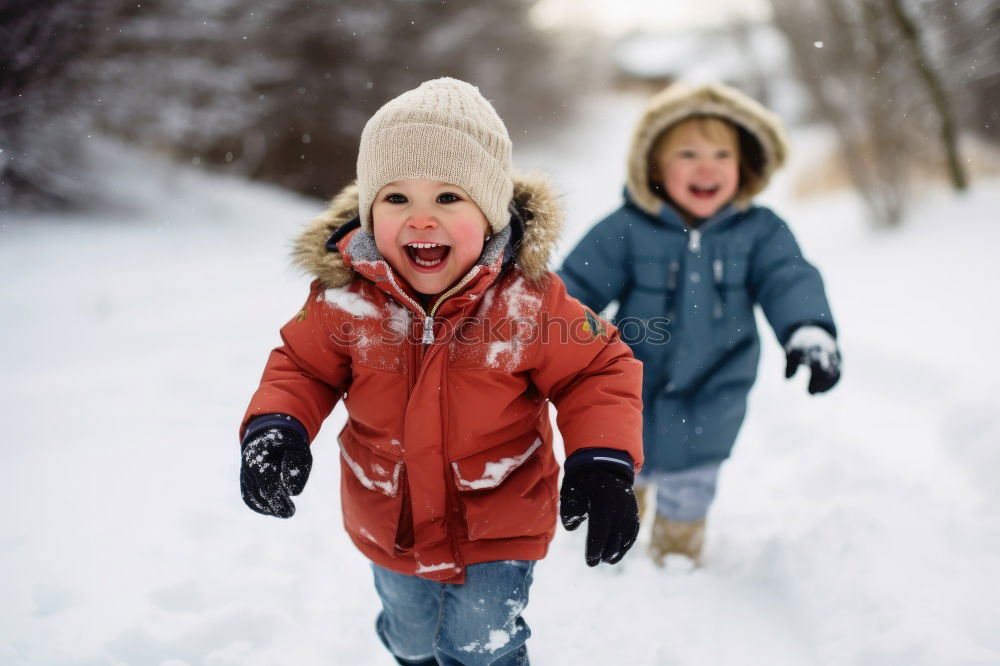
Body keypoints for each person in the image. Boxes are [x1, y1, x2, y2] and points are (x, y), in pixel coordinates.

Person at [238, 78, 644, 666]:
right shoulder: (344, 301)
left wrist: (603, 458)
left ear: (490, 213)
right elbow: (302, 368)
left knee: (479, 647)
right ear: (369, 210)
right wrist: (276, 425)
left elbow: (599, 369)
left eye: (449, 198)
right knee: (411, 634)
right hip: (388, 515)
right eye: (396, 199)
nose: (421, 220)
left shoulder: (528, 303)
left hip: (498, 517)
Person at [558, 82, 841, 566]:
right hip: (634, 385)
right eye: (688, 153)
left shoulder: (760, 230)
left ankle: (678, 553)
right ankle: (618, 541)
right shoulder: (627, 227)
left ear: (745, 165)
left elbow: (787, 277)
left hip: (717, 384)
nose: (707, 166)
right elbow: (575, 287)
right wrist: (539, 334)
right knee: (630, 469)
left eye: (721, 154)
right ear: (653, 166)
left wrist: (807, 328)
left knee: (693, 483)